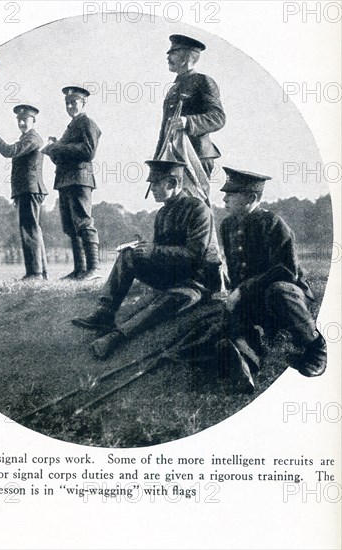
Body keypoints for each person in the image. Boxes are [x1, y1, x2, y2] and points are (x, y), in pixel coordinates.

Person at [72, 160, 215, 359]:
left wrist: (154, 251)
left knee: (168, 302)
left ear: (172, 184)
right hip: (171, 276)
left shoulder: (198, 210)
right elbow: (162, 250)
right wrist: (145, 249)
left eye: (156, 184)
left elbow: (195, 254)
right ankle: (105, 312)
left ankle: (115, 338)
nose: (152, 189)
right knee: (128, 255)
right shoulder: (163, 213)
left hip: (195, 282)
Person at [219, 167, 327, 392]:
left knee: (278, 290)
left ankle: (315, 347)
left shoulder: (273, 223)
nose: (224, 197)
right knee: (230, 321)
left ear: (251, 197)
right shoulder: (227, 226)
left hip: (283, 296)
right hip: (254, 299)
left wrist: (243, 290)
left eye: (232, 193)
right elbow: (236, 269)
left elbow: (287, 271)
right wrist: (233, 291)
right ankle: (247, 362)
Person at [154, 34, 226, 199]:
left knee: (195, 203)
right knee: (175, 204)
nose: (168, 56)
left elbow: (218, 117)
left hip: (196, 155)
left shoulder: (203, 82)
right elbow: (165, 129)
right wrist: (158, 159)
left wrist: (188, 122)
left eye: (173, 52)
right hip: (172, 157)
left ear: (185, 57)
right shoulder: (173, 89)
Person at [43, 86, 102, 281]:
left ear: (83, 103)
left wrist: (59, 146)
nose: (70, 106)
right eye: (67, 103)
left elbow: (88, 151)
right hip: (66, 180)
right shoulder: (71, 127)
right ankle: (80, 269)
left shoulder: (87, 123)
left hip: (80, 178)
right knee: (70, 226)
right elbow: (62, 158)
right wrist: (52, 150)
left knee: (83, 222)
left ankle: (94, 269)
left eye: (74, 102)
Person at [0, 104, 48, 280]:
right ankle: (40, 272)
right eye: (19, 120)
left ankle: (35, 273)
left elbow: (9, 151)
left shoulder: (32, 139)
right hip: (26, 190)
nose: (21, 122)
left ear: (33, 121)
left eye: (25, 119)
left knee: (30, 230)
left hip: (30, 189)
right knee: (33, 229)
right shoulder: (27, 138)